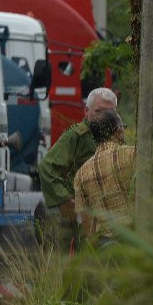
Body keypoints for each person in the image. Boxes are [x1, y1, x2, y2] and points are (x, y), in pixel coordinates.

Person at [38, 87, 118, 251]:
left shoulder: (115, 137)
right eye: (99, 111)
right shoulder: (76, 136)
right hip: (75, 215)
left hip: (101, 215)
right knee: (63, 264)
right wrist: (65, 200)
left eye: (109, 112)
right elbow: (47, 168)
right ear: (86, 111)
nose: (104, 117)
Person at [73, 110, 136, 248]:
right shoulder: (133, 155)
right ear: (118, 130)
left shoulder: (81, 174)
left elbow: (88, 225)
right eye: (123, 127)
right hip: (135, 240)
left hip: (105, 246)